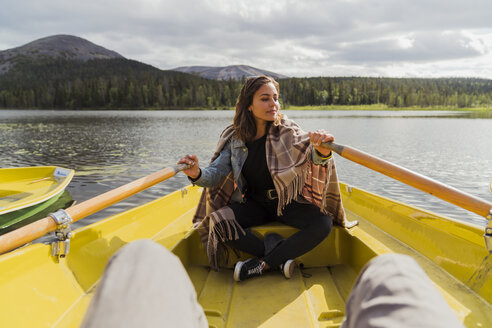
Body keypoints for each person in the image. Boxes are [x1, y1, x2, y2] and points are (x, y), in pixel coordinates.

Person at [178, 75, 349, 282]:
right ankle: (277, 255)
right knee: (217, 222)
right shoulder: (236, 138)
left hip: (287, 202)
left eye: (275, 98)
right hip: (255, 202)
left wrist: (321, 151)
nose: (273, 104)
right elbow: (214, 174)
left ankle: (262, 264)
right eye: (265, 98)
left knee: (323, 223)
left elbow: (309, 153)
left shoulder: (287, 130)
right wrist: (196, 173)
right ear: (249, 105)